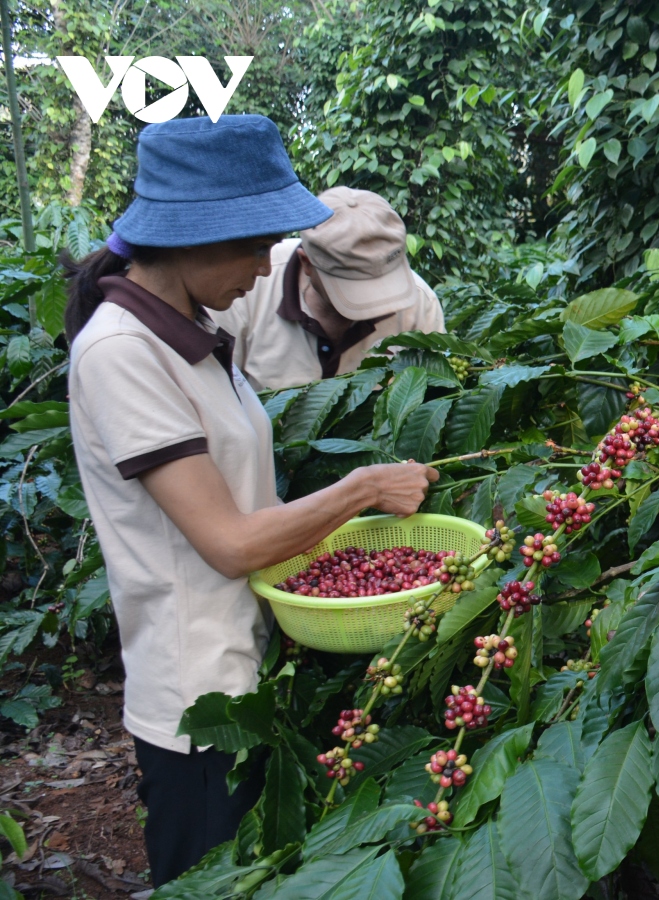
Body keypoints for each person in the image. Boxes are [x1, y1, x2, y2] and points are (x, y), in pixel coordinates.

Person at [62, 115, 438, 886]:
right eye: (254, 244)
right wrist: (364, 488)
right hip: (197, 700)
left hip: (245, 666)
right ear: (190, 237)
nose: (269, 269)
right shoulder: (122, 352)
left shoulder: (188, 333)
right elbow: (229, 541)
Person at [210, 186, 445, 391]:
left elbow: (432, 392)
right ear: (307, 264)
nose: (374, 305)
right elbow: (218, 398)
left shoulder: (419, 304)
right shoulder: (246, 289)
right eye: (355, 287)